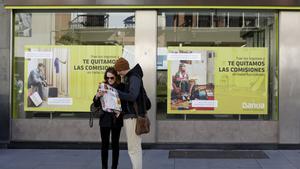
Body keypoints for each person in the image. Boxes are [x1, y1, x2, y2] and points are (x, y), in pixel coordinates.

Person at [114, 57, 147, 169]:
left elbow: (132, 96)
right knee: (134, 148)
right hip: (131, 116)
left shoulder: (134, 77)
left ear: (122, 68)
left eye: (118, 70)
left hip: (133, 117)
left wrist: (116, 92)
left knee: (134, 149)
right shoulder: (130, 77)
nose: (118, 73)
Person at [93, 67, 125, 169]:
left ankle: (114, 167)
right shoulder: (103, 86)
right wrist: (97, 96)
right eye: (107, 78)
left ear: (116, 77)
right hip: (105, 119)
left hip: (116, 118)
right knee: (104, 145)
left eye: (112, 78)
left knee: (115, 144)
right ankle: (104, 167)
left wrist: (120, 110)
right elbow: (96, 104)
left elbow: (125, 103)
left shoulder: (121, 87)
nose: (109, 80)